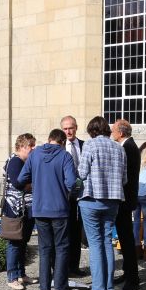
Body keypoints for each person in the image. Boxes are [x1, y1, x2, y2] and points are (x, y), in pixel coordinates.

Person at [17, 129, 76, 290]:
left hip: (40, 209)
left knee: (45, 249)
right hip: (59, 209)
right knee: (62, 249)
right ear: (63, 142)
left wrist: (35, 185)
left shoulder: (34, 156)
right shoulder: (65, 156)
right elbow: (72, 182)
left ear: (48, 140)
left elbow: (21, 179)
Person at [77, 116, 127, 290]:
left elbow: (81, 173)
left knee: (96, 244)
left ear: (92, 131)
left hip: (91, 199)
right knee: (107, 241)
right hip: (113, 200)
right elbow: (124, 179)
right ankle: (109, 288)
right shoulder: (118, 148)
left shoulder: (90, 145)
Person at [3, 133, 38, 290]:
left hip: (25, 208)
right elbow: (18, 183)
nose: (33, 148)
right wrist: (32, 184)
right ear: (22, 146)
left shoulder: (23, 161)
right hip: (15, 209)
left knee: (23, 242)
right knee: (15, 243)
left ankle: (21, 274)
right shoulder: (15, 161)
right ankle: (12, 277)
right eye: (31, 145)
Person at [111, 119, 140, 290]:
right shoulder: (129, 146)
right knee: (124, 238)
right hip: (126, 199)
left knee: (127, 240)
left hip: (124, 200)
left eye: (113, 130)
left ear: (121, 133)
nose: (112, 132)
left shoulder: (127, 148)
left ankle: (132, 278)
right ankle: (128, 272)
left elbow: (125, 177)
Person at [60, 115, 87, 277]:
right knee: (65, 231)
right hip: (64, 195)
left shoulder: (85, 145)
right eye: (65, 128)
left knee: (77, 232)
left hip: (82, 194)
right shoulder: (59, 148)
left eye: (71, 128)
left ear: (76, 128)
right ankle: (63, 268)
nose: (68, 131)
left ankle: (74, 267)